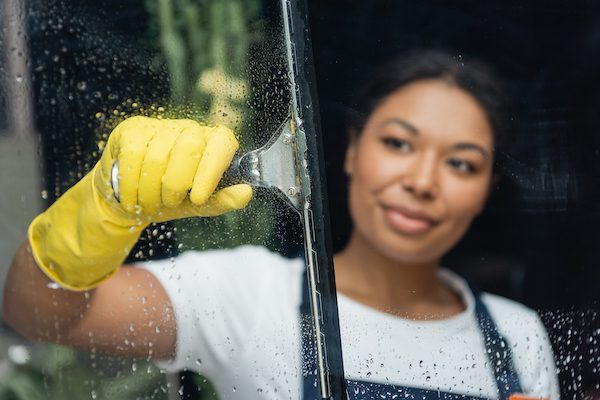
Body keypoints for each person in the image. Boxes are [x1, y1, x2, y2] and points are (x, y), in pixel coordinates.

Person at [3, 51, 560, 399]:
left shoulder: (517, 337)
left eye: (461, 162)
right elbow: (37, 312)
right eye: (398, 143)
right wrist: (104, 208)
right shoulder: (248, 295)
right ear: (349, 152)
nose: (422, 180)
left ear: (486, 189)